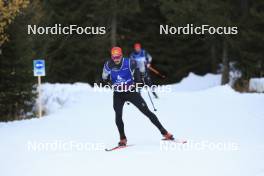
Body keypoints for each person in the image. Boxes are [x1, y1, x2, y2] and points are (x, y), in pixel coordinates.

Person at [102, 46, 174, 146]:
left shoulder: (129, 62)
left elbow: (139, 67)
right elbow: (104, 77)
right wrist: (109, 82)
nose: (116, 59)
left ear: (121, 55)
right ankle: (123, 138)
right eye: (114, 57)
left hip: (131, 92)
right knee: (118, 116)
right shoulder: (108, 65)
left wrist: (142, 74)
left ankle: (165, 133)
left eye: (118, 57)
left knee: (147, 112)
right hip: (118, 94)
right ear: (111, 57)